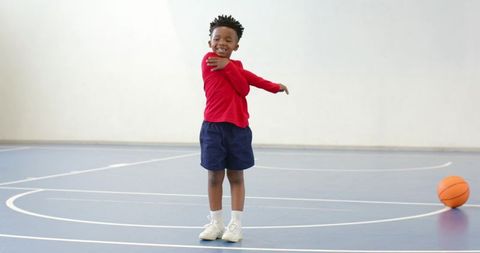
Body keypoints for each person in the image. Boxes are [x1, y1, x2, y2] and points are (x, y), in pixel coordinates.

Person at [199, 15, 288, 243]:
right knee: (214, 177)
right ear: (209, 42)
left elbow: (248, 83)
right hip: (213, 129)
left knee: (236, 176)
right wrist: (230, 67)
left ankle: (235, 225)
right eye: (217, 38)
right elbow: (243, 86)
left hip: (237, 129)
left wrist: (273, 87)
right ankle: (215, 223)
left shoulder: (234, 66)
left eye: (228, 40)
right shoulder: (208, 61)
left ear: (236, 46)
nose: (222, 43)